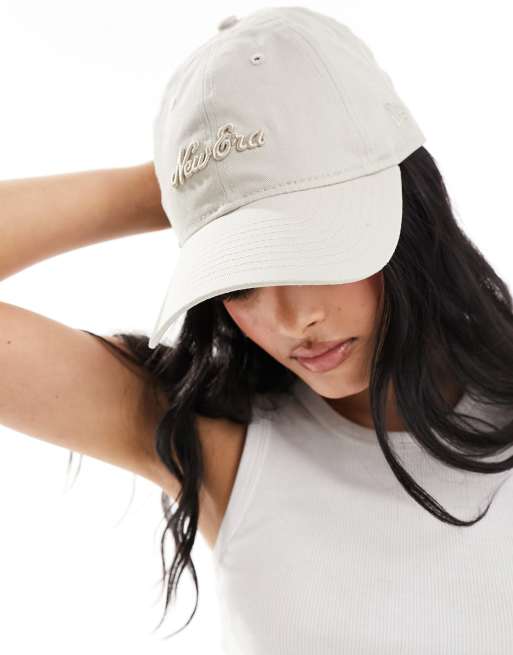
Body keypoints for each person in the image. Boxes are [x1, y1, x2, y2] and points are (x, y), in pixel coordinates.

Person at [3, 6, 513, 654]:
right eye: (239, 280)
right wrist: (190, 186)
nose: (292, 320)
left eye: (318, 251)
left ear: (407, 205)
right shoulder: (228, 446)